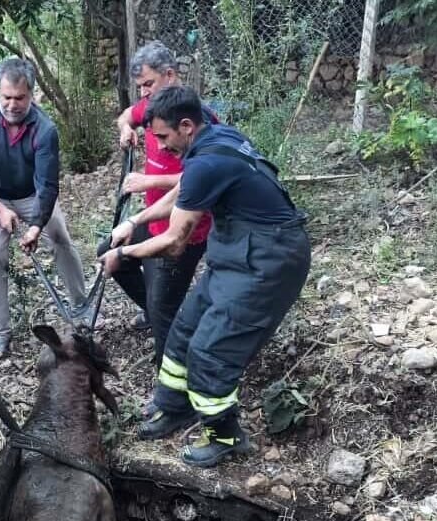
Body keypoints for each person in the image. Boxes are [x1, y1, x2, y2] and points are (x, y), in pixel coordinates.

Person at [99, 86, 311, 468]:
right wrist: (134, 221)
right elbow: (184, 191)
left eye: (163, 137)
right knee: (184, 330)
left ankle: (226, 436)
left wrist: (123, 253)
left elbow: (175, 241)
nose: (160, 148)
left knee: (211, 351)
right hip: (237, 252)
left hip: (270, 261)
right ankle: (174, 407)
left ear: (186, 126)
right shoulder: (213, 135)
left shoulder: (208, 161)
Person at [0, 57, 89, 359]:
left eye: (19, 98)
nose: (12, 104)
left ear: (32, 94)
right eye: (6, 97)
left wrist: (35, 226)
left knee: (59, 237)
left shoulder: (45, 129)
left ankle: (81, 308)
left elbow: (47, 186)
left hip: (32, 194)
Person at [106, 41, 215, 374]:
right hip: (153, 217)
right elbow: (126, 115)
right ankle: (161, 315)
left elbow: (200, 178)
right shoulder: (151, 105)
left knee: (163, 307)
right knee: (111, 253)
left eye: (149, 84)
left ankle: (170, 383)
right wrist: (126, 128)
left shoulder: (197, 121)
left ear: (170, 75)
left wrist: (148, 182)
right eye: (140, 87)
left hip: (184, 226)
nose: (144, 94)